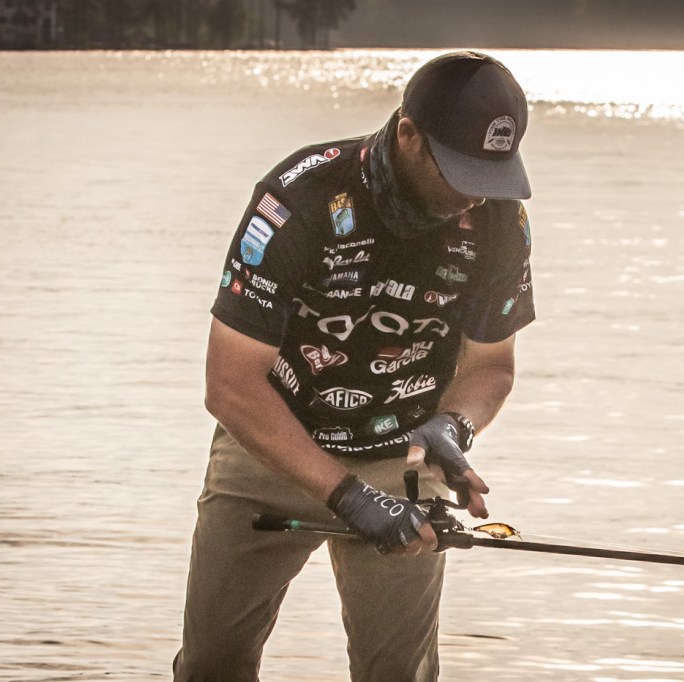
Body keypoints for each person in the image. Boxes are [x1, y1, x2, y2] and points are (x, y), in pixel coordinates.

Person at [173, 51, 536, 681]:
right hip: (270, 440)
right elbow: (230, 385)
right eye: (459, 171)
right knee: (212, 663)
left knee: (399, 672)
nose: (473, 193)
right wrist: (347, 496)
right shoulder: (299, 198)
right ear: (408, 134)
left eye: (490, 174)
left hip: (404, 458)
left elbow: (492, 364)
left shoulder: (499, 219)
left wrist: (454, 425)